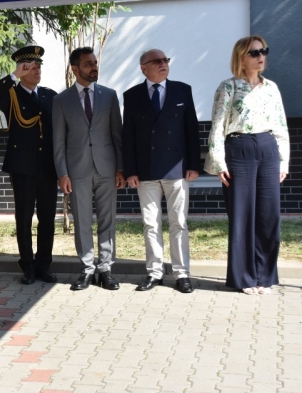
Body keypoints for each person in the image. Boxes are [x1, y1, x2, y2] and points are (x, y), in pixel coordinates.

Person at [205, 36, 289, 295]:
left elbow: (281, 125)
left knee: (268, 216)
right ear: (241, 57)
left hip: (268, 149)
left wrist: (283, 160)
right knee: (242, 216)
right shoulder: (228, 87)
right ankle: (243, 277)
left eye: (264, 51)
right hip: (238, 149)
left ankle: (265, 276)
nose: (261, 56)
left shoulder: (271, 87)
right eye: (254, 53)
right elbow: (218, 126)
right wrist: (218, 161)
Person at [122, 49, 200, 294]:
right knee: (150, 224)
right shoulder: (132, 95)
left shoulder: (182, 90)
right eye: (157, 61)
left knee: (179, 223)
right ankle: (154, 272)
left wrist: (194, 164)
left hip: (176, 169)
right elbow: (128, 136)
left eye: (166, 60)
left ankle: (182, 273)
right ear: (143, 68)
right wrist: (130, 170)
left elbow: (192, 130)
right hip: (145, 171)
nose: (163, 64)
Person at [52, 47, 124, 291]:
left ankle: (105, 269)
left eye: (95, 62)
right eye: (88, 64)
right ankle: (86, 269)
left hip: (107, 168)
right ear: (75, 68)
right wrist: (62, 173)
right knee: (82, 221)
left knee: (107, 220)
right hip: (77, 170)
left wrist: (120, 169)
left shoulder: (109, 95)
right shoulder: (61, 100)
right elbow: (58, 141)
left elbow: (117, 135)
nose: (94, 67)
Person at [0, 45, 58, 285]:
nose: (37, 70)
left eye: (39, 66)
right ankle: (27, 266)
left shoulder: (50, 95)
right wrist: (15, 75)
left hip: (48, 166)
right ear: (22, 68)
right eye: (31, 66)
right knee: (24, 217)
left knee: (48, 217)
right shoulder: (11, 95)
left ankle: (44, 264)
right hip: (23, 167)